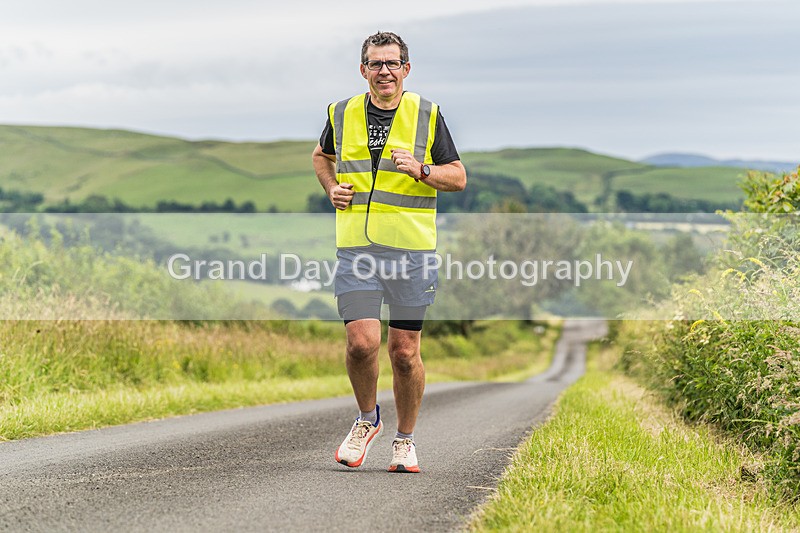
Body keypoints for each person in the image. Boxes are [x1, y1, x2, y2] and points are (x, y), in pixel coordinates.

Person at [312, 31, 466, 473]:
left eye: (392, 63)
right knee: (361, 344)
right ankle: (367, 420)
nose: (385, 71)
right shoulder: (340, 113)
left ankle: (405, 439)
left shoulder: (427, 114)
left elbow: (458, 177)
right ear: (363, 70)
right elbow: (321, 157)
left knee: (404, 352)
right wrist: (331, 189)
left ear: (406, 69)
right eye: (376, 64)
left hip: (411, 252)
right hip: (356, 249)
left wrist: (421, 169)